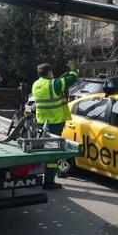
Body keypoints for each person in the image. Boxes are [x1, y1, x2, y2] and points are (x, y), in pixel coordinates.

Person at [32, 62, 77, 190]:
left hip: (41, 121)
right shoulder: (54, 84)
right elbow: (73, 79)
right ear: (49, 72)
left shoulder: (36, 84)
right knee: (53, 152)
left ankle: (44, 176)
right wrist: (73, 69)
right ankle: (49, 182)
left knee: (46, 148)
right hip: (54, 122)